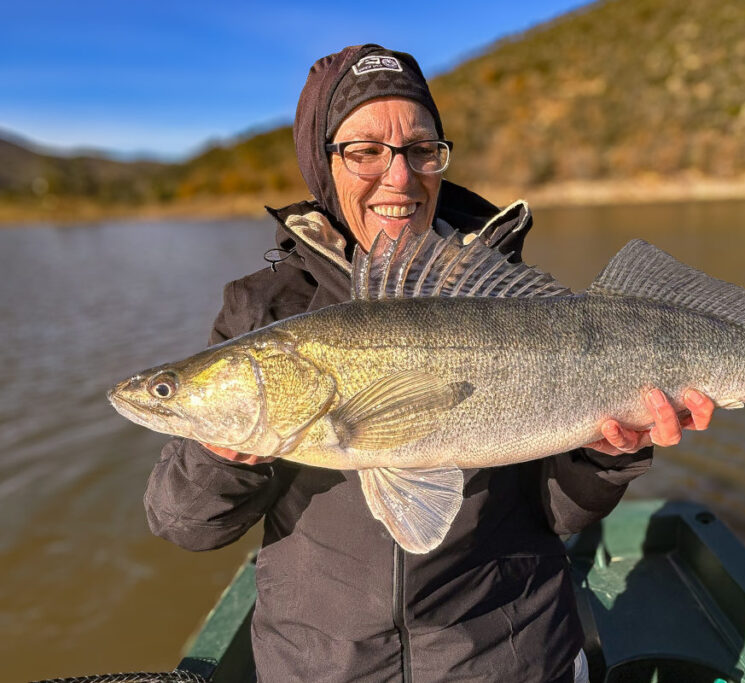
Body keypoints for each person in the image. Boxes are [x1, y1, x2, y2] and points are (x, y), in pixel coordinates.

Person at [145, 44, 714, 682]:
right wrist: (223, 452)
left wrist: (606, 457)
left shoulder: (507, 298)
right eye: (365, 151)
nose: (399, 177)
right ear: (322, 164)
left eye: (421, 149)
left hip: (511, 661)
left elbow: (559, 515)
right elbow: (187, 525)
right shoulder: (262, 310)